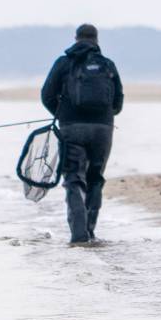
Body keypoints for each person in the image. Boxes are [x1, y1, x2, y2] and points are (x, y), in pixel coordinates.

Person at [40, 23, 124, 245]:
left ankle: (79, 236)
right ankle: (90, 232)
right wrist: (103, 117)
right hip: (103, 130)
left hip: (71, 128)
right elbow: (118, 103)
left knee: (74, 180)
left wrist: (63, 114)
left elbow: (46, 95)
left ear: (75, 38)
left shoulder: (64, 63)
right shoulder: (108, 65)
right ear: (97, 40)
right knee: (95, 179)